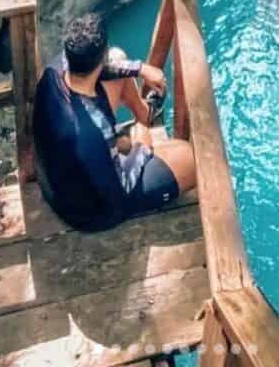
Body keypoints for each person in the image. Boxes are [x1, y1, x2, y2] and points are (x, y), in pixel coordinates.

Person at [33, 12, 197, 231]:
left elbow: (105, 66)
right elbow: (121, 187)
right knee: (191, 157)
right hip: (92, 212)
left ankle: (144, 114)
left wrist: (140, 68)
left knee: (118, 57)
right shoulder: (94, 131)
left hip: (57, 178)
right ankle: (143, 126)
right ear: (100, 59)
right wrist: (142, 146)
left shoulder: (53, 72)